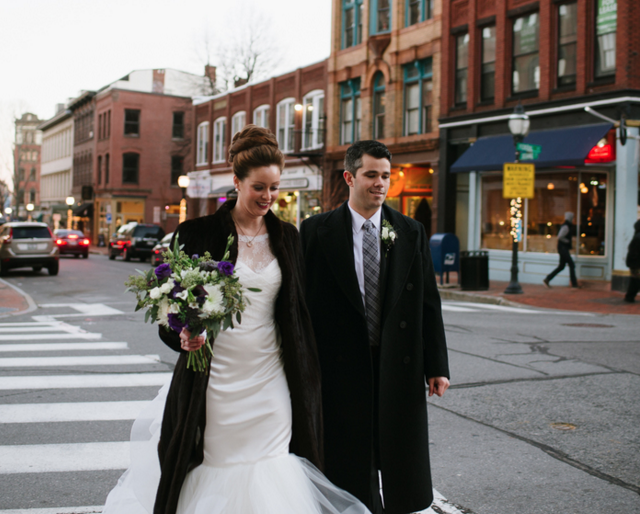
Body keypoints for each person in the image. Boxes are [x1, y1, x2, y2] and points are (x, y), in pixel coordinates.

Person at [103, 125, 369, 514]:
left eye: (275, 188)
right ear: (237, 182)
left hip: (272, 375)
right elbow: (168, 309)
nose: (268, 197)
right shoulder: (197, 235)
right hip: (217, 379)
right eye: (259, 187)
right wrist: (182, 335)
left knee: (274, 465)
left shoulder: (289, 238)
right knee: (219, 466)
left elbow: (300, 313)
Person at [300, 140, 451, 514]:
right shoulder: (315, 231)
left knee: (399, 452)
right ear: (350, 177)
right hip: (340, 363)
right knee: (350, 454)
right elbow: (300, 304)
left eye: (386, 175)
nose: (380, 183)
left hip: (398, 361)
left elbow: (429, 304)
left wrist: (437, 366)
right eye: (371, 175)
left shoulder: (410, 231)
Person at [543, 211, 579, 288]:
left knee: (561, 266)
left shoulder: (567, 226)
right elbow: (560, 236)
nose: (573, 220)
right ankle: (574, 284)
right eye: (572, 218)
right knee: (571, 264)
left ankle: (548, 279)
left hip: (563, 248)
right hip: (563, 248)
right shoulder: (566, 226)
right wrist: (568, 241)